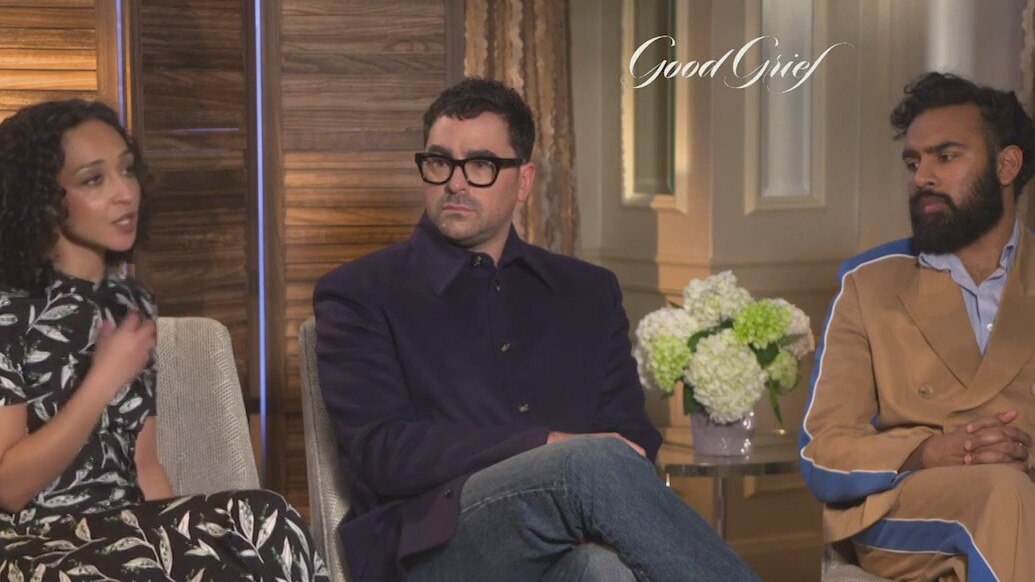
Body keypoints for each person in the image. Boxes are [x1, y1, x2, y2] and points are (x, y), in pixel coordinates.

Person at [314, 78, 757, 582]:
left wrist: (580, 489)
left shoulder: (588, 291)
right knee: (587, 463)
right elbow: (383, 453)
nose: (455, 183)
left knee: (602, 570)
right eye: (439, 162)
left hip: (566, 538)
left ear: (524, 181)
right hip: (427, 543)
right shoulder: (359, 292)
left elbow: (631, 436)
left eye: (480, 165)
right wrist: (543, 446)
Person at [0, 99, 328, 581]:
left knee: (267, 518)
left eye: (127, 170)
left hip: (125, 529)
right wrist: (102, 380)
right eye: (94, 179)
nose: (124, 193)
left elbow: (145, 466)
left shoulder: (127, 306)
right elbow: (9, 487)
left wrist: (182, 540)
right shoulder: (10, 311)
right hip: (36, 542)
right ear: (43, 199)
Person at [800, 72, 1035, 581]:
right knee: (1004, 493)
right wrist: (931, 452)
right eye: (913, 162)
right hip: (904, 513)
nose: (921, 177)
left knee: (1012, 496)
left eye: (945, 157)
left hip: (1022, 497)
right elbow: (822, 453)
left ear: (1006, 165)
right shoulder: (869, 284)